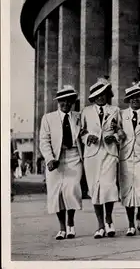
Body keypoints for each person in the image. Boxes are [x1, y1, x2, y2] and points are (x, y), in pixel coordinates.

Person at [39, 85, 83, 240]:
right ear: (58, 102)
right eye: (62, 101)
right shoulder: (48, 118)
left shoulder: (79, 116)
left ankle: (71, 222)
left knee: (72, 190)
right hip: (55, 159)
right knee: (56, 192)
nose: (65, 104)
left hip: (74, 156)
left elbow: (84, 134)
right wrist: (49, 158)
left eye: (69, 101)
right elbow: (44, 141)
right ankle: (62, 228)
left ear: (73, 102)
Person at [80, 78, 121, 239]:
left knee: (109, 186)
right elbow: (81, 131)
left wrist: (115, 137)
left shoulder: (115, 110)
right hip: (92, 155)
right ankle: (100, 225)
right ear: (93, 97)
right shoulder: (86, 112)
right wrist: (88, 137)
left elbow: (121, 131)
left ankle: (109, 220)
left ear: (107, 95)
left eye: (103, 94)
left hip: (109, 153)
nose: (101, 98)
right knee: (95, 189)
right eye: (97, 95)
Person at [116, 85, 140, 236]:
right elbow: (115, 129)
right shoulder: (121, 114)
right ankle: (130, 224)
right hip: (126, 156)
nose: (135, 100)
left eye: (138, 97)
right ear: (128, 100)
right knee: (127, 189)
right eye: (132, 97)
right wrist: (119, 132)